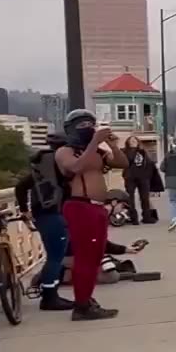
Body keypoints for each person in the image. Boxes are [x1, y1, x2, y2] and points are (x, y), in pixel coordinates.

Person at [53, 110, 124, 321]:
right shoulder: (65, 151)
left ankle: (86, 299)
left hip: (97, 208)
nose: (87, 128)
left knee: (94, 258)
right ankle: (82, 305)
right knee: (84, 258)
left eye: (90, 124)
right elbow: (75, 167)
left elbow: (122, 164)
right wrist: (94, 141)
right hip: (80, 207)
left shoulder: (97, 152)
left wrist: (112, 144)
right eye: (82, 125)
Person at [14, 131, 74, 311]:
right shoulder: (56, 166)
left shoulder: (42, 167)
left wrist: (25, 209)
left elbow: (20, 187)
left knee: (54, 255)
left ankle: (50, 293)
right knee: (55, 257)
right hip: (52, 214)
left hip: (44, 213)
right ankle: (49, 297)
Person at [122, 137, 161, 224]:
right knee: (130, 198)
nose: (133, 142)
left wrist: (148, 175)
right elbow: (128, 160)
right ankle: (133, 218)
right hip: (130, 177)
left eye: (135, 141)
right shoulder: (125, 151)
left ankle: (147, 217)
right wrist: (133, 149)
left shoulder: (143, 152)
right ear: (128, 143)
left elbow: (149, 164)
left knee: (145, 198)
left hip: (143, 178)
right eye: (131, 141)